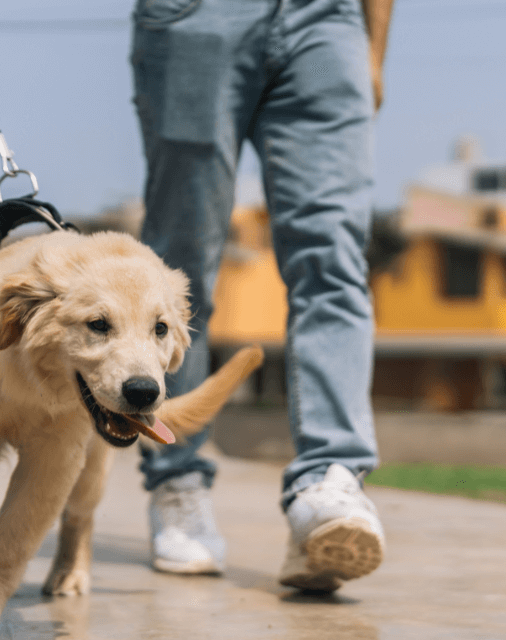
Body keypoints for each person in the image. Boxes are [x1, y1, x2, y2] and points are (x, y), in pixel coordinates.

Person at [131, 0, 394, 592]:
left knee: (334, 257)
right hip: (196, 18)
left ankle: (329, 483)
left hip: (329, 20)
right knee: (182, 265)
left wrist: (371, 45)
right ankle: (178, 478)